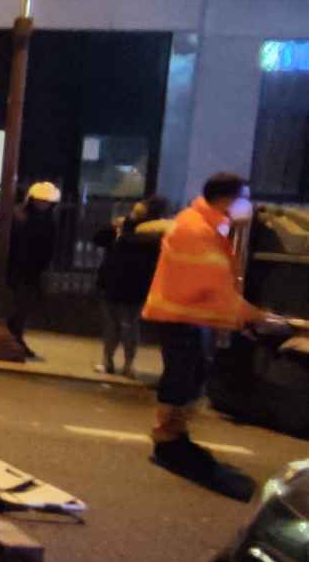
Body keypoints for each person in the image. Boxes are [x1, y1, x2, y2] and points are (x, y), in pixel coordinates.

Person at [141, 173, 279, 468]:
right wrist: (255, 316)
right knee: (182, 380)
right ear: (226, 198)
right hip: (182, 317)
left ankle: (174, 438)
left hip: (187, 315)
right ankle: (168, 442)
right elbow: (216, 286)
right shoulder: (197, 230)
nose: (247, 204)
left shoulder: (206, 225)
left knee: (189, 377)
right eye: (244, 197)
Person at [91, 196, 171, 377]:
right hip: (122, 283)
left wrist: (123, 225)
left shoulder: (147, 233)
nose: (134, 212)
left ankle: (116, 362)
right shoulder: (133, 229)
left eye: (138, 210)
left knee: (122, 325)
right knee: (122, 325)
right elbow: (98, 238)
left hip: (128, 284)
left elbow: (125, 242)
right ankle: (116, 363)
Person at [0, 181, 61, 357]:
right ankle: (13, 340)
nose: (43, 205)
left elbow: (49, 246)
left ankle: (15, 339)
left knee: (23, 309)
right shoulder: (18, 214)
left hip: (33, 272)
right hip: (15, 269)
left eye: (46, 202)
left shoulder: (48, 220)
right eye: (40, 201)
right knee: (16, 308)